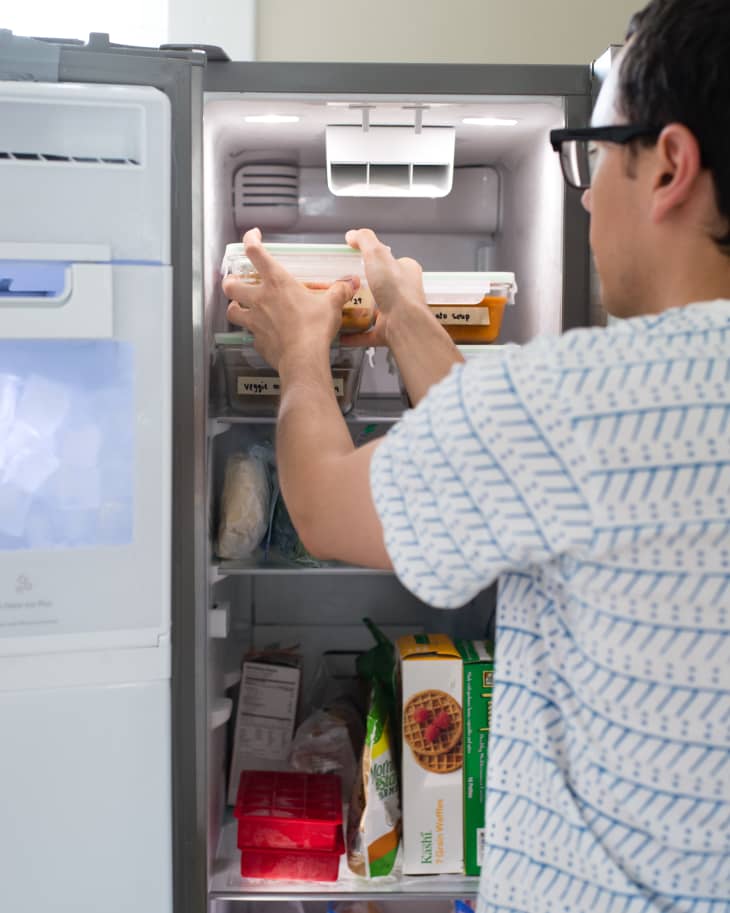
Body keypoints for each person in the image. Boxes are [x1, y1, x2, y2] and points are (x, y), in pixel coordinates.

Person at [222, 0, 730, 909]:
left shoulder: (594, 398)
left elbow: (328, 507)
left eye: (596, 153)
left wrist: (303, 350)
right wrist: (407, 318)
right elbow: (516, 460)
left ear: (669, 166)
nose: (582, 192)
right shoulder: (607, 414)